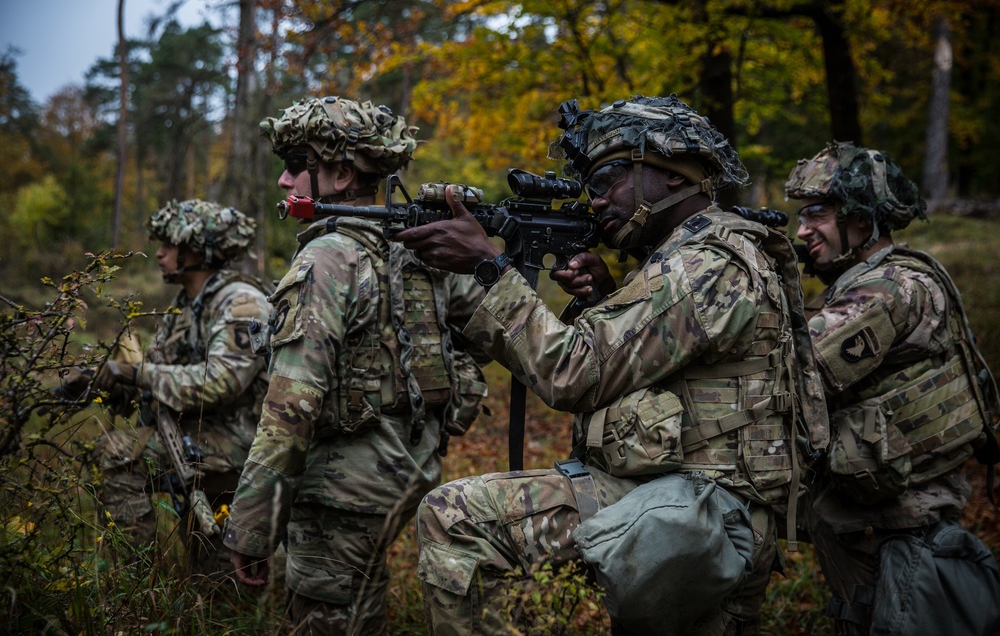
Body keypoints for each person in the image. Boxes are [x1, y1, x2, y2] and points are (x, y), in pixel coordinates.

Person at [394, 94, 827, 636]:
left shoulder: (706, 265)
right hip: (682, 500)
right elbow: (654, 363)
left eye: (607, 181)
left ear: (671, 175)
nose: (595, 202)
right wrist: (603, 294)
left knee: (454, 516)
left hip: (705, 511)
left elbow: (571, 372)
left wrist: (489, 269)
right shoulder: (694, 256)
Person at [223, 96, 491, 635]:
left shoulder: (328, 257)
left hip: (340, 490)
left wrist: (253, 527)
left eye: (297, 164)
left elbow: (291, 405)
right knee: (363, 609)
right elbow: (487, 335)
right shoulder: (424, 248)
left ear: (341, 173)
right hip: (406, 472)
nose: (283, 180)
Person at [786, 142, 1000, 635]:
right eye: (801, 216)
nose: (801, 229)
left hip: (899, 530)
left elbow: (794, 370)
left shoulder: (887, 290)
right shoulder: (872, 283)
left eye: (817, 213)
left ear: (862, 220)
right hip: (882, 518)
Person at [93, 199, 271, 578]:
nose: (159, 253)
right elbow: (163, 373)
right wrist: (113, 382)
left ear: (199, 249)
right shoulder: (187, 305)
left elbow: (221, 383)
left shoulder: (242, 303)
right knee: (216, 584)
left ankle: (137, 583)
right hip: (200, 435)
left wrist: (137, 373)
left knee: (120, 453)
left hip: (244, 442)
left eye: (170, 245)